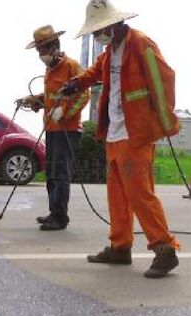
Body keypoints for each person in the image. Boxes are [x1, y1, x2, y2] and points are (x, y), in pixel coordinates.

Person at [60, 0, 181, 278]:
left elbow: (165, 80)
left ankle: (165, 249)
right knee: (117, 195)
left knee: (140, 194)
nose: (95, 35)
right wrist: (76, 83)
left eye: (98, 30)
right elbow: (94, 72)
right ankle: (120, 246)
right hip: (114, 134)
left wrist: (165, 122)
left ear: (113, 24)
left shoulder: (140, 44)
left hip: (136, 134)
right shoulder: (109, 51)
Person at [20, 25, 90, 231]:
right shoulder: (49, 70)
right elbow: (52, 98)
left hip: (67, 130)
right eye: (38, 51)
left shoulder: (72, 66)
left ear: (54, 47)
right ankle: (54, 212)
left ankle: (60, 217)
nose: (40, 55)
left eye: (42, 51)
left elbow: (84, 95)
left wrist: (65, 114)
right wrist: (34, 101)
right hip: (51, 128)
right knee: (51, 172)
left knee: (60, 173)